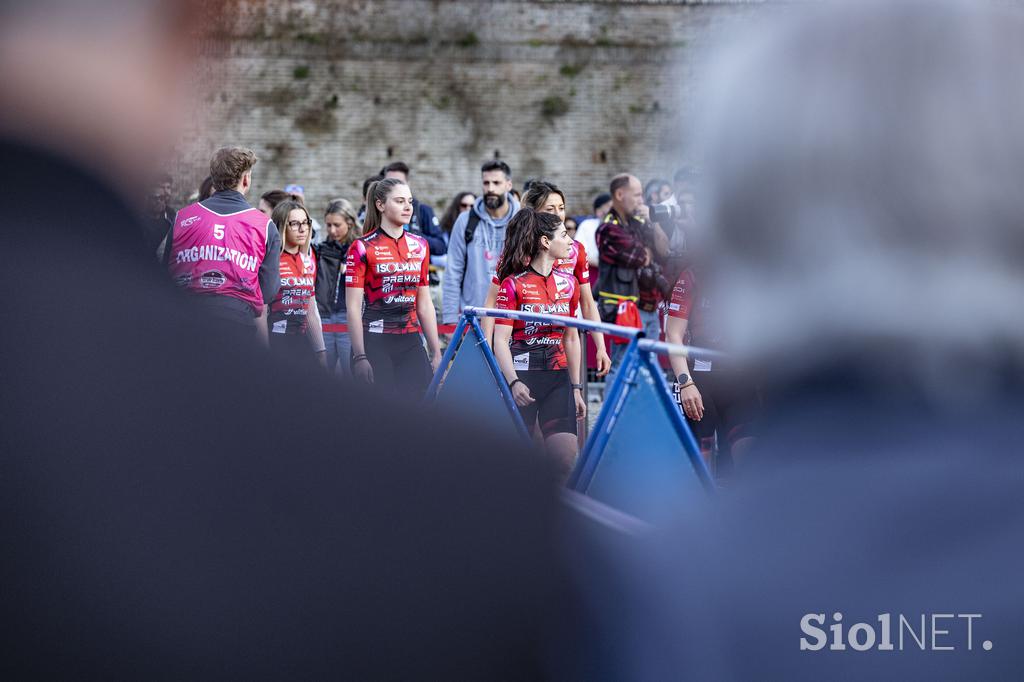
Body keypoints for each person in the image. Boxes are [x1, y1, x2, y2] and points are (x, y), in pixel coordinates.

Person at [0, 2, 566, 677]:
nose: (406, 207)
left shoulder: (411, 248)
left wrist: (433, 348)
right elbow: (324, 304)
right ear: (190, 32)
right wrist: (348, 353)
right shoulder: (463, 498)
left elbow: (411, 297)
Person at [481, 180, 611, 377]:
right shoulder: (517, 250)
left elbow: (587, 303)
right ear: (535, 212)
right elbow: (491, 304)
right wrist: (486, 349)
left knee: (571, 400)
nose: (558, 214)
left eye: (561, 208)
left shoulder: (575, 250)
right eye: (550, 208)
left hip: (565, 344)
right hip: (522, 348)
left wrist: (601, 345)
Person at [493, 208, 584, 481]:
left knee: (565, 459)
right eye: (564, 235)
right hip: (523, 380)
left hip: (558, 380)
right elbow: (500, 340)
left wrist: (577, 387)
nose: (571, 241)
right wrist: (512, 382)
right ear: (546, 242)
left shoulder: (571, 283)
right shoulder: (512, 285)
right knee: (520, 464)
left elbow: (571, 337)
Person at [163, 146, 282, 340]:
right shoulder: (264, 226)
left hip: (185, 319)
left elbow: (164, 272)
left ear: (214, 178)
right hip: (237, 322)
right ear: (246, 179)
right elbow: (269, 292)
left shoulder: (182, 218)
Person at [345, 178, 441, 393]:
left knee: (415, 412)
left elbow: (424, 303)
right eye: (399, 201)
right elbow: (352, 308)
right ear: (380, 205)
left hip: (410, 340)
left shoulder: (421, 246)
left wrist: (436, 352)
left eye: (410, 201)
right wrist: (359, 355)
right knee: (380, 416)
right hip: (374, 341)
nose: (408, 207)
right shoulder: (361, 247)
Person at [595, 174, 669, 379]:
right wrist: (648, 250)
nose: (641, 200)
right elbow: (640, 257)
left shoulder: (640, 221)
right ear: (619, 194)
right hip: (626, 309)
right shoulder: (608, 228)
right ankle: (612, 412)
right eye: (636, 195)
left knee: (646, 369)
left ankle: (635, 412)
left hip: (651, 307)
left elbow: (663, 252)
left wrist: (654, 222)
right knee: (621, 366)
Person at [442, 160, 520, 330]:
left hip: (514, 320)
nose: (490, 188)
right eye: (486, 183)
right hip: (473, 318)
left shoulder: (523, 221)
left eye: (496, 183)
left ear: (508, 185)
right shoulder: (465, 221)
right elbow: (453, 271)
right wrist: (450, 320)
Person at [266, 199, 326, 362]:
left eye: (305, 223)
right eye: (294, 223)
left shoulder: (309, 259)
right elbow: (261, 310)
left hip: (302, 341)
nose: (302, 229)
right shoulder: (270, 259)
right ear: (281, 226)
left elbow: (310, 310)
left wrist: (321, 351)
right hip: (276, 340)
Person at [315, 198, 359, 376]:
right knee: (322, 375)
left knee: (351, 374)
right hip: (324, 315)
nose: (332, 230)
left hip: (348, 318)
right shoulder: (323, 249)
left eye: (337, 225)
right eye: (328, 225)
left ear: (349, 223)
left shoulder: (360, 248)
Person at [382, 161, 447, 256]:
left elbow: (441, 247)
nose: (394, 188)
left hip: (415, 267)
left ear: (408, 184)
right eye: (389, 183)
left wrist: (414, 236)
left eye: (399, 183)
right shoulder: (379, 210)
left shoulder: (422, 210)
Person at [576, 192, 611, 268]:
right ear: (598, 211)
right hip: (591, 271)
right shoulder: (587, 225)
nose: (612, 209)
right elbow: (579, 252)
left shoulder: (619, 226)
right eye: (608, 206)